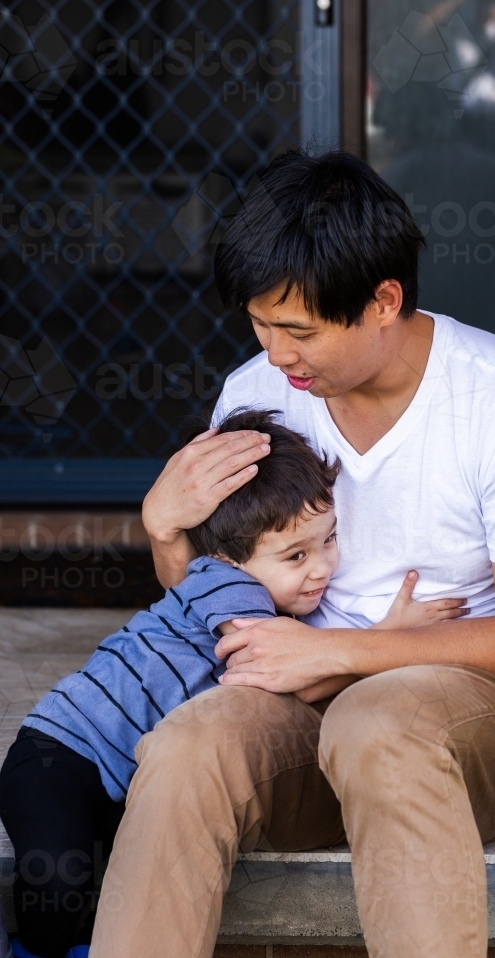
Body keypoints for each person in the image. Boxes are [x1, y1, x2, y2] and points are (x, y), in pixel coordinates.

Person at [90, 149, 495, 958]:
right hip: (297, 703)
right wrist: (164, 531)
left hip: (468, 710)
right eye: (259, 324)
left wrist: (339, 654)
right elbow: (210, 600)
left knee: (374, 720)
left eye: (298, 330)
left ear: (382, 301)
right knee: (184, 748)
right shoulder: (254, 399)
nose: (276, 354)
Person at [0, 410, 352, 958]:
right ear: (228, 556)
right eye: (296, 555)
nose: (322, 568)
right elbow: (265, 662)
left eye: (329, 540)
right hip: (60, 755)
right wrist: (394, 636)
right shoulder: (223, 584)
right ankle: (33, 950)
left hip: (127, 775)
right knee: (60, 877)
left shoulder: (270, 597)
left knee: (130, 874)